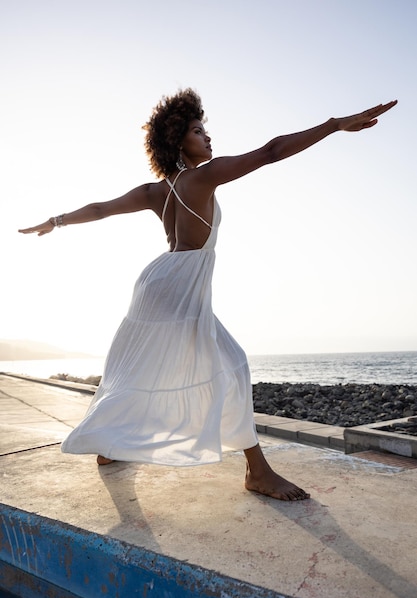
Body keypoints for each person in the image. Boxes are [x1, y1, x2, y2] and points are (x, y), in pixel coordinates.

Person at [19, 89, 397, 501]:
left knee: (141, 370)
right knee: (231, 366)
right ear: (179, 141)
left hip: (158, 282)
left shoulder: (156, 191)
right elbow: (270, 152)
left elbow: (99, 208)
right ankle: (258, 472)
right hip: (178, 286)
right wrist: (334, 125)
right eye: (199, 131)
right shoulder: (202, 176)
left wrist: (55, 222)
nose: (208, 138)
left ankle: (109, 449)